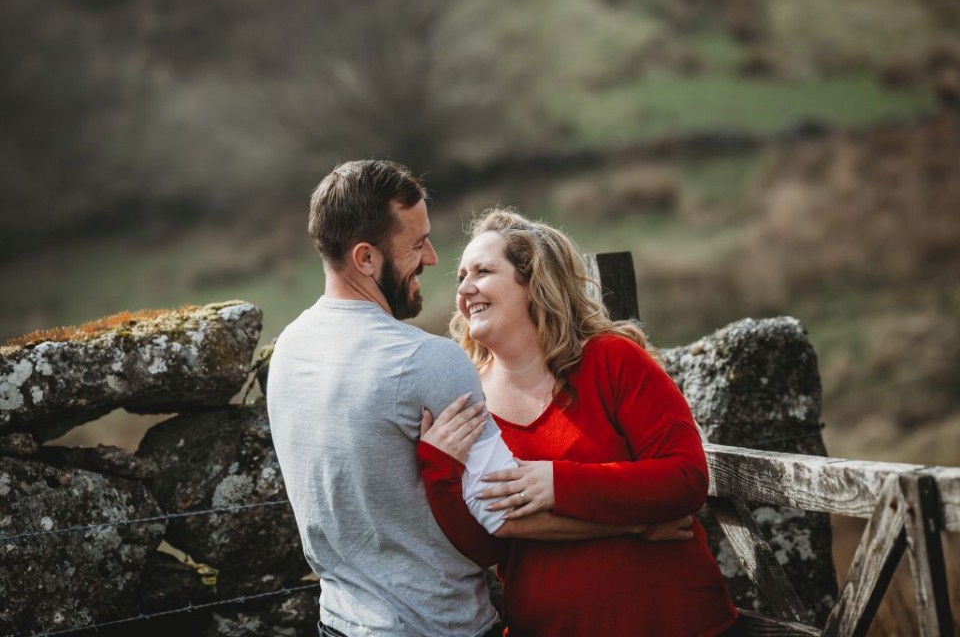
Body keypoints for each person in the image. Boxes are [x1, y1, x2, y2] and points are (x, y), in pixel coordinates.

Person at [267, 161, 691, 637]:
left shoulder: (289, 349)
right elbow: (503, 523)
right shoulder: (426, 360)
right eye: (416, 244)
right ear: (365, 258)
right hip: (436, 626)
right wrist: (635, 527)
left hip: (340, 624)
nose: (431, 259)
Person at [418, 207, 739, 636]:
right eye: (461, 276)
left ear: (533, 284)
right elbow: (488, 545)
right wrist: (439, 471)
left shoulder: (612, 360)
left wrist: (558, 484)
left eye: (483, 271)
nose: (466, 288)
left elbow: (685, 478)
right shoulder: (466, 397)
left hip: (672, 623)